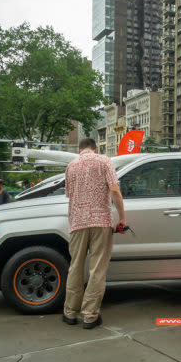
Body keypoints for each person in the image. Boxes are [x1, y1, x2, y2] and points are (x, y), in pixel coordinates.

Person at [62, 138, 125, 329]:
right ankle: (90, 316)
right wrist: (122, 217)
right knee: (97, 269)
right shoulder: (104, 161)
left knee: (75, 268)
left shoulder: (70, 166)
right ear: (95, 149)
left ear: (79, 149)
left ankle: (70, 313)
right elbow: (114, 190)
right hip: (101, 222)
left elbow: (69, 195)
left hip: (78, 223)